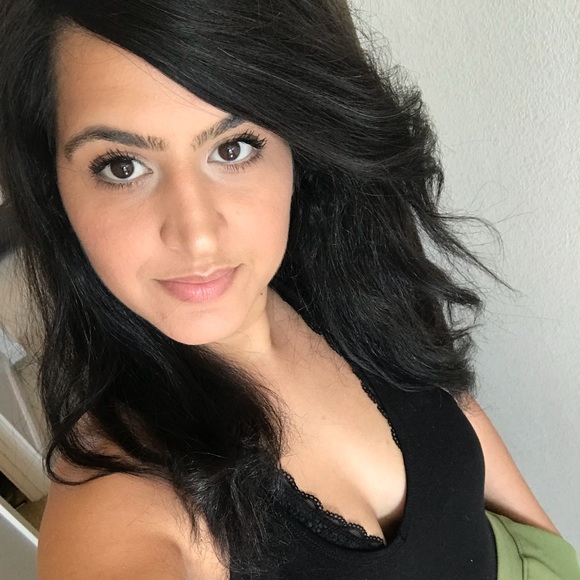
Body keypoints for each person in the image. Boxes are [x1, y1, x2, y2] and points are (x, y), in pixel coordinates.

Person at [0, 1, 573, 579]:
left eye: (232, 148)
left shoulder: (351, 278)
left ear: (296, 143)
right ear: (52, 185)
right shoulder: (118, 505)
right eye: (122, 166)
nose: (197, 234)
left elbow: (462, 423)